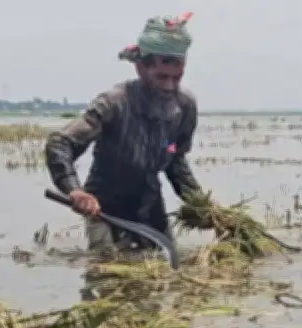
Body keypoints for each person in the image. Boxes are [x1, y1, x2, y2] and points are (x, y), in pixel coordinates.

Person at [45, 12, 206, 255]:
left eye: (177, 77)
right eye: (161, 77)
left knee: (167, 273)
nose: (169, 86)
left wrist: (201, 205)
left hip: (149, 204)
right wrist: (75, 191)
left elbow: (174, 158)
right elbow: (60, 144)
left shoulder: (184, 107)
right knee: (106, 273)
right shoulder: (114, 103)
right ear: (141, 67)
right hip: (104, 205)